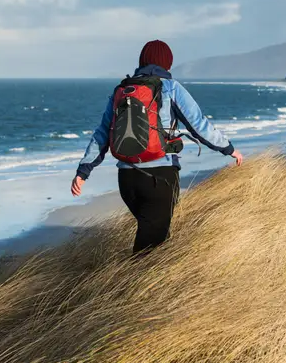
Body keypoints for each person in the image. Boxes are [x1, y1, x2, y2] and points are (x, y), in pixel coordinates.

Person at [71, 39, 243, 254]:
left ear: (142, 61)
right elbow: (198, 124)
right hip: (159, 178)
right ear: (167, 64)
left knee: (154, 237)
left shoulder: (123, 89)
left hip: (127, 180)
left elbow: (102, 133)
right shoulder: (170, 87)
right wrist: (228, 149)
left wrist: (83, 171)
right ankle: (131, 286)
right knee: (149, 250)